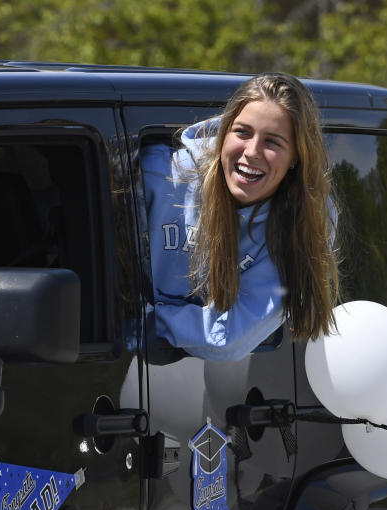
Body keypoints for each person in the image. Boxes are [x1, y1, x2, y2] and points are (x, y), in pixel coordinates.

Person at [143, 72, 339, 361]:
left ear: (296, 156)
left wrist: (146, 322)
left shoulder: (303, 223)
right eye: (242, 132)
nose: (252, 151)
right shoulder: (162, 177)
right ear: (224, 134)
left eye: (272, 142)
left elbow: (230, 337)